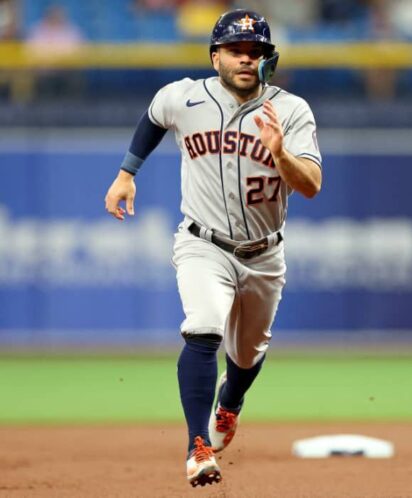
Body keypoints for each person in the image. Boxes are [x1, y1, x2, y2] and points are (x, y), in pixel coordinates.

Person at [103, 9, 322, 487]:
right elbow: (154, 118)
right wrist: (126, 174)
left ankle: (231, 401)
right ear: (215, 56)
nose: (245, 59)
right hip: (203, 244)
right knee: (203, 328)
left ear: (268, 59)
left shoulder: (291, 110)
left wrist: (281, 152)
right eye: (235, 50)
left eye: (255, 51)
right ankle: (197, 447)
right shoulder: (185, 97)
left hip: (264, 254)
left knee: (247, 354)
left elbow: (311, 185)